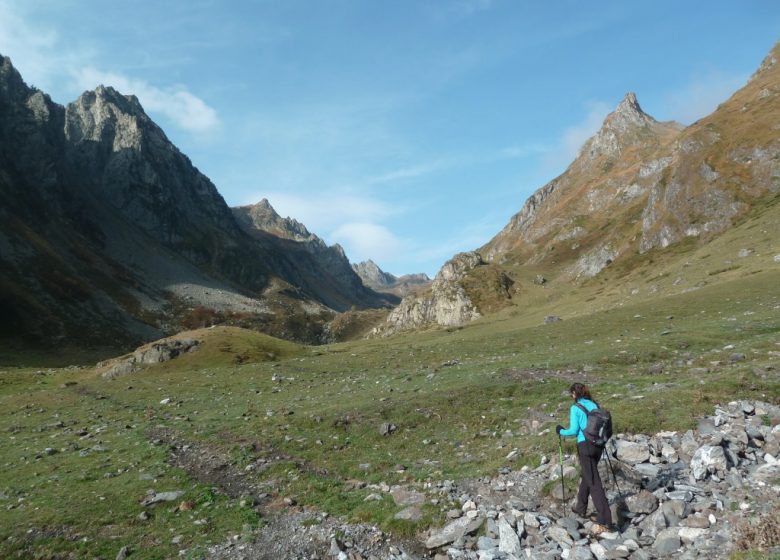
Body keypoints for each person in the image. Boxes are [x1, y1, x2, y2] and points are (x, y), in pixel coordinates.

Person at [556, 382, 613, 533]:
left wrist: (560, 431)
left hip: (585, 445)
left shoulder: (575, 408)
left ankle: (605, 518)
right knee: (588, 475)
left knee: (593, 481)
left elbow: (574, 430)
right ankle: (580, 507)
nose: (571, 397)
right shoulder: (595, 405)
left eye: (571, 394)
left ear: (574, 394)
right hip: (598, 445)